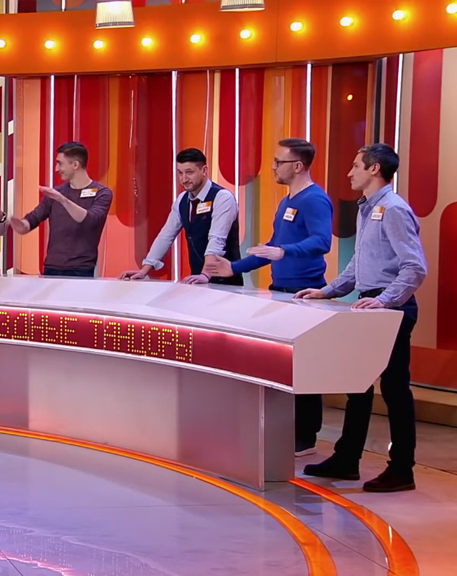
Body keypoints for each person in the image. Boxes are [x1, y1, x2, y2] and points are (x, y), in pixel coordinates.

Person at [295, 143, 426, 493]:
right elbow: (359, 262)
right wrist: (328, 290)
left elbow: (414, 267)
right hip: (371, 306)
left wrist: (384, 300)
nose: (349, 172)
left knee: (394, 389)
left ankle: (402, 469)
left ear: (374, 169)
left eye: (356, 166)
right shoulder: (367, 207)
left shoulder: (394, 209)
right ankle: (346, 458)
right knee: (358, 385)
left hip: (390, 309)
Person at [205, 138, 333, 457]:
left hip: (305, 294)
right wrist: (233, 267)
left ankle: (305, 435)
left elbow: (322, 241)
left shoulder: (315, 199)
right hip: (281, 293)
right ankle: (285, 430)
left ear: (298, 166)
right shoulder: (286, 201)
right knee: (282, 365)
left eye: (279, 162)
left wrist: (284, 251)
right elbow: (271, 247)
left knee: (305, 368)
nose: (273, 167)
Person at [119, 148, 241, 285]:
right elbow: (165, 236)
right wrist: (144, 271)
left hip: (226, 283)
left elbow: (216, 240)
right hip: (197, 281)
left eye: (189, 172)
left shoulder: (222, 198)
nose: (184, 179)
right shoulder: (182, 200)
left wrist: (206, 274)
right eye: (180, 173)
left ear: (204, 171)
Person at [9, 142, 113, 277]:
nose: (56, 169)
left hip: (81, 269)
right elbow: (32, 219)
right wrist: (19, 224)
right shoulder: (56, 194)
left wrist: (62, 200)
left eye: (60, 163)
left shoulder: (102, 193)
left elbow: (91, 220)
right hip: (51, 268)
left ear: (75, 165)